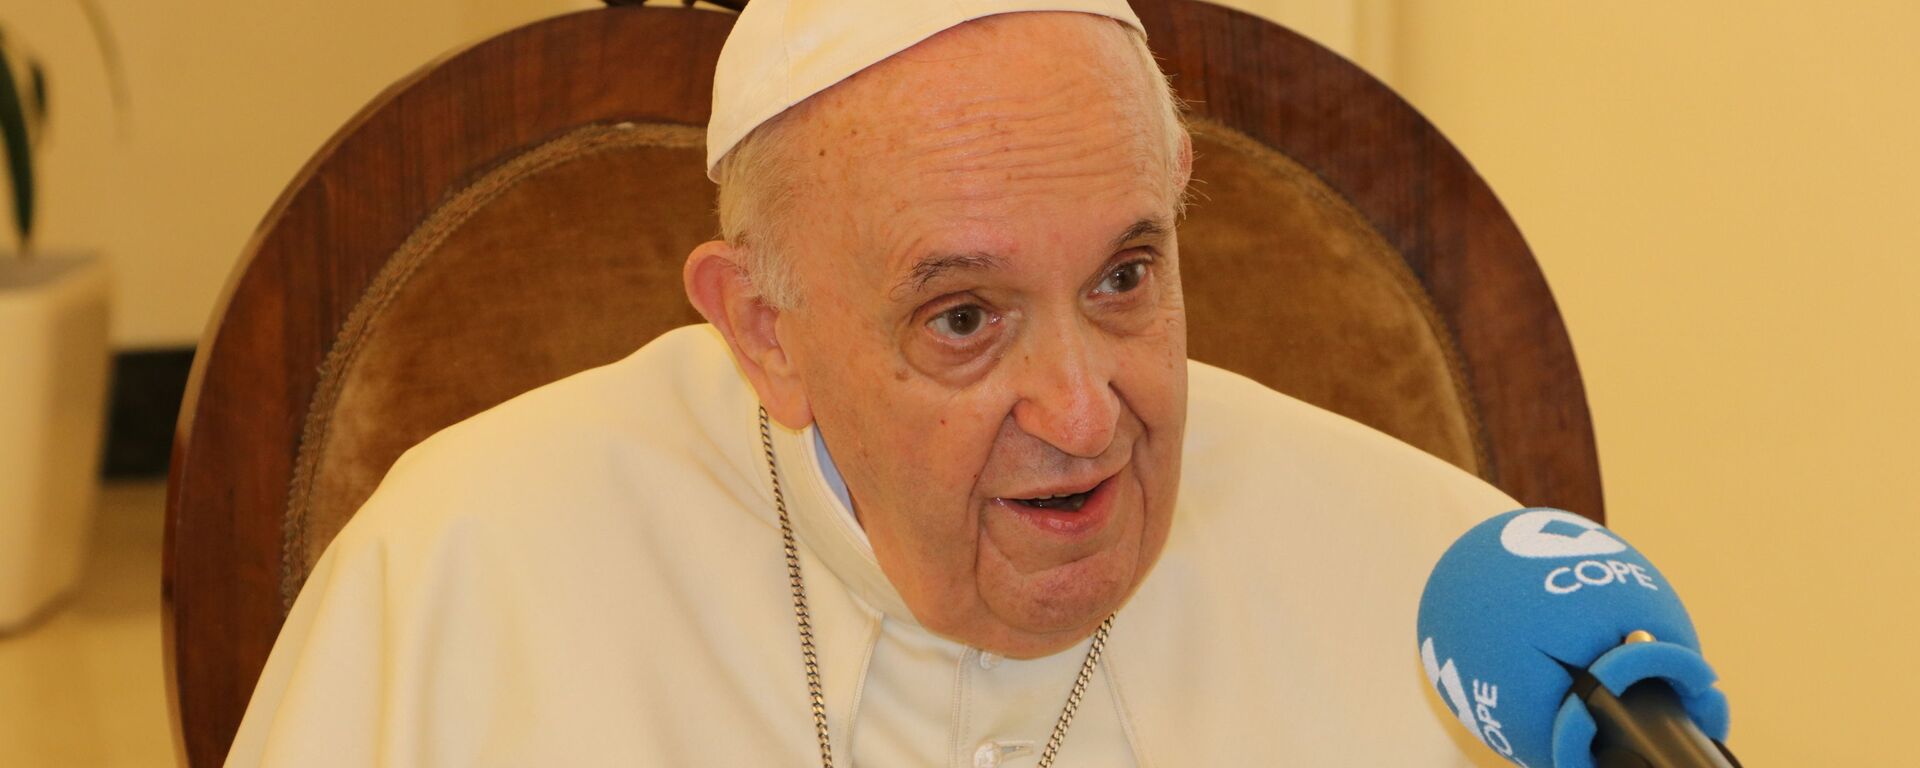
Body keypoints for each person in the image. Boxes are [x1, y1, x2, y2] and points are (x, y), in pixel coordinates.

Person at [226, 1, 1516, 765]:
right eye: (963, 317)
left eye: (1125, 279)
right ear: (763, 333)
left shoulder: (1428, 573)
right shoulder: (464, 572)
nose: (1081, 415)